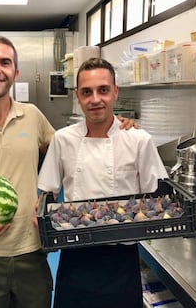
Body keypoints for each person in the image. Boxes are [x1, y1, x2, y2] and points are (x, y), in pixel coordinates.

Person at [0, 36, 136, 308]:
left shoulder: (32, 116)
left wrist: (113, 125)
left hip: (32, 249)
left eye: (5, 62)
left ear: (15, 73)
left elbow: (73, 148)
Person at [38, 57, 168, 308]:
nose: (95, 99)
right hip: (75, 252)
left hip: (121, 256)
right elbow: (46, 193)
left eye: (103, 90)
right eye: (87, 92)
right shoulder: (63, 139)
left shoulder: (138, 139)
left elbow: (158, 198)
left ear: (115, 92)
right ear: (77, 95)